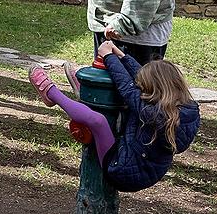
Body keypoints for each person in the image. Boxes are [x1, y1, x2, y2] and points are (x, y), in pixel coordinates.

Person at [28, 42, 200, 192]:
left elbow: (127, 87)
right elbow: (140, 77)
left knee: (98, 121)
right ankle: (88, 97)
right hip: (139, 159)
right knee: (132, 101)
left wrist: (108, 56)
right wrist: (121, 55)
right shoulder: (184, 108)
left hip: (122, 170)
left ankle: (51, 94)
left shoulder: (154, 114)